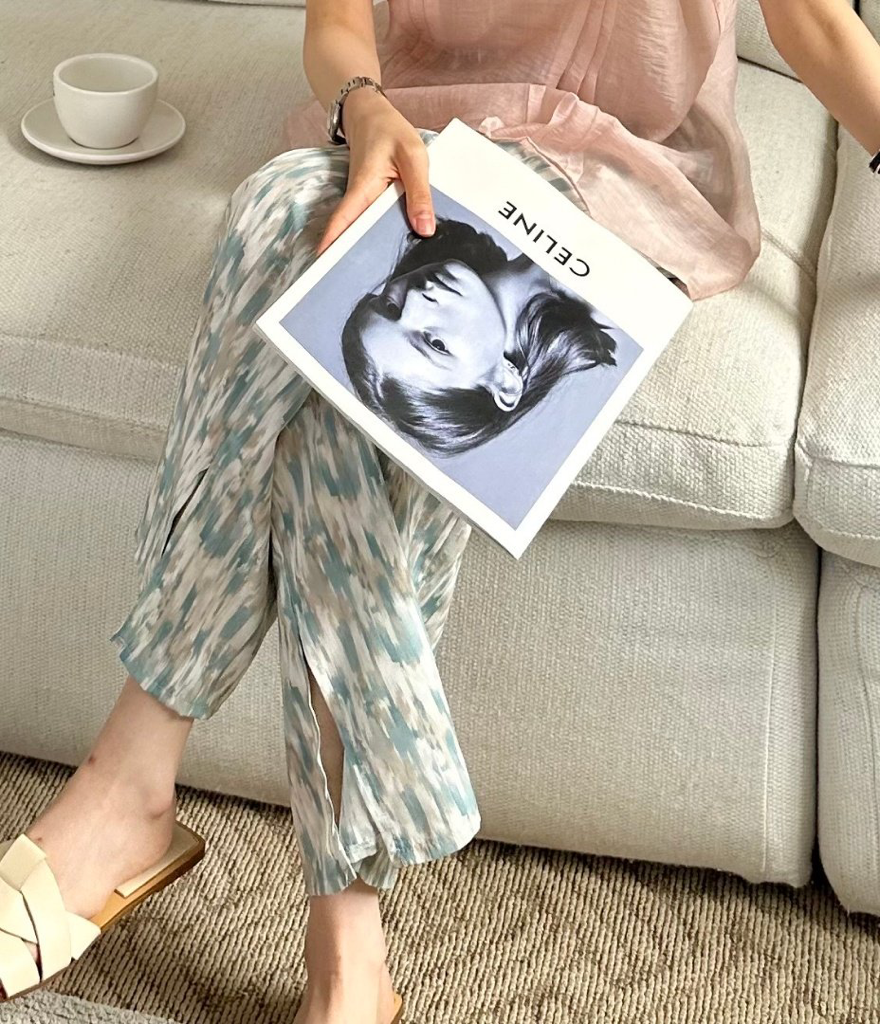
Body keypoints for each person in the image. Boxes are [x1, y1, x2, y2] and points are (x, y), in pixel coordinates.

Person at [2, 0, 879, 1022]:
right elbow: (338, 24)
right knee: (277, 218)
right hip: (418, 133)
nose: (407, 305)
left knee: (351, 363)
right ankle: (339, 947)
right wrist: (363, 103)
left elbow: (818, 27)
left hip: (614, 175)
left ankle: (137, 793)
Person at [341, 217, 618, 456]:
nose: (414, 298)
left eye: (391, 307)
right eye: (436, 344)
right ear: (505, 385)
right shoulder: (609, 298)